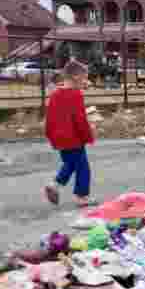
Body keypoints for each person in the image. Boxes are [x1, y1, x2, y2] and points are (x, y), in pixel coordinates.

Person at [43, 58, 96, 207]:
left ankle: (55, 185)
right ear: (76, 77)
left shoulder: (55, 95)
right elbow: (80, 120)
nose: (85, 81)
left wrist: (51, 136)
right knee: (83, 167)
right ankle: (82, 197)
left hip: (59, 138)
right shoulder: (76, 95)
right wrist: (88, 136)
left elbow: (49, 119)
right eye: (84, 77)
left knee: (70, 164)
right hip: (74, 138)